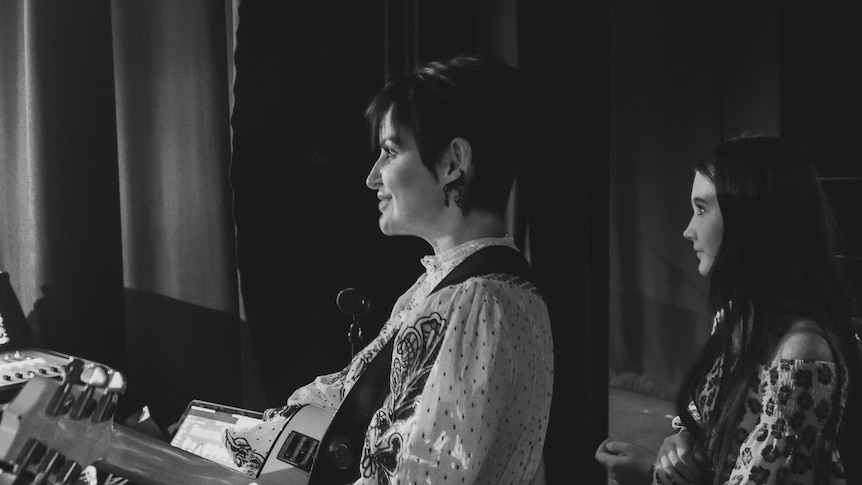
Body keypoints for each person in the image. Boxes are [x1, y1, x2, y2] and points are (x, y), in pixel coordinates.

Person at [223, 52, 553, 485]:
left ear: (454, 162)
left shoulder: (475, 302)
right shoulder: (464, 289)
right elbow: (335, 403)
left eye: (390, 152)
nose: (373, 177)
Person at [596, 135, 862, 484]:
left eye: (702, 209)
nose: (688, 230)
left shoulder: (803, 357)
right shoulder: (735, 316)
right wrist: (682, 444)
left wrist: (649, 475)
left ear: (752, 221)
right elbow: (708, 417)